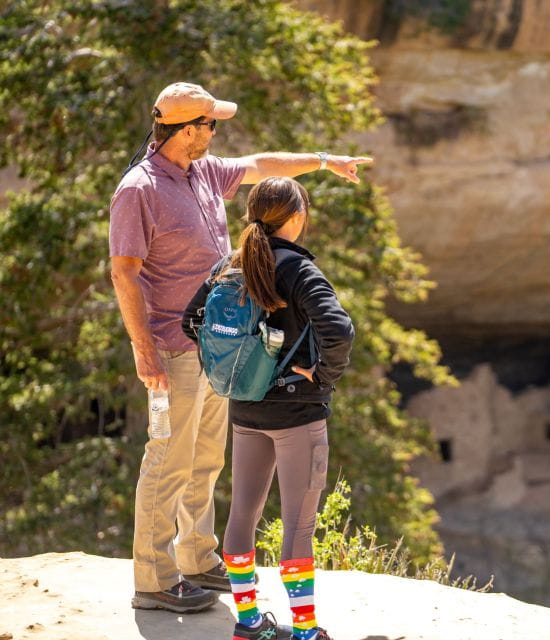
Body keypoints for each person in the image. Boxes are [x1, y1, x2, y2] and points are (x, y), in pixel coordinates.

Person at [109, 82, 371, 614]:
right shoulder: (138, 189)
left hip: (220, 348)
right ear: (188, 129)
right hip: (171, 348)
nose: (215, 131)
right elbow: (124, 271)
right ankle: (154, 580)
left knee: (205, 461)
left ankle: (197, 559)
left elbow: (262, 163)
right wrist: (143, 350)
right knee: (169, 460)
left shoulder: (202, 171)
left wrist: (324, 161)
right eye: (210, 123)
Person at [182, 177, 353, 640]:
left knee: (242, 515)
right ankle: (304, 631)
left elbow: (191, 322)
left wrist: (231, 368)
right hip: (298, 414)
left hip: (246, 408)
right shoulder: (299, 270)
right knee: (298, 524)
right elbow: (338, 330)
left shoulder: (229, 265)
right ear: (297, 217)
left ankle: (249, 624)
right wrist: (321, 376)